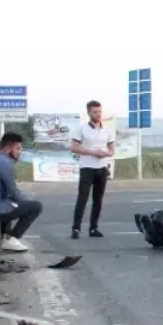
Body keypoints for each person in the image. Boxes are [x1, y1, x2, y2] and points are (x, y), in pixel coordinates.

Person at [70, 99, 114, 239]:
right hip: (87, 167)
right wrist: (93, 152)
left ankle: (93, 228)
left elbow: (112, 149)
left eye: (99, 111)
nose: (98, 114)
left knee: (98, 199)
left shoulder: (107, 130)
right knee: (82, 199)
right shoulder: (81, 129)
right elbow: (74, 147)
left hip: (102, 167)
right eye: (95, 112)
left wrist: (106, 153)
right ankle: (76, 228)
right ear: (88, 112)